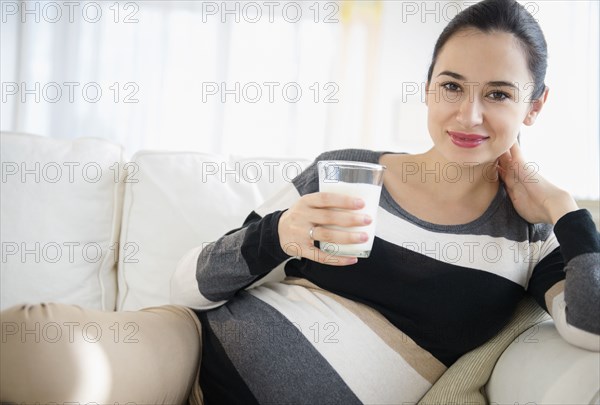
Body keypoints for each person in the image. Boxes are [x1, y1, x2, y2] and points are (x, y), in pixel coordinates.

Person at [1, 0, 598, 404]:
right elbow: (186, 284)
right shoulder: (350, 172)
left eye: (498, 93)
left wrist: (568, 213)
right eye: (451, 86)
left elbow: (593, 330)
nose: (469, 114)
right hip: (188, 358)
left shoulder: (532, 234)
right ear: (426, 88)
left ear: (535, 105)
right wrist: (278, 235)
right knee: (38, 344)